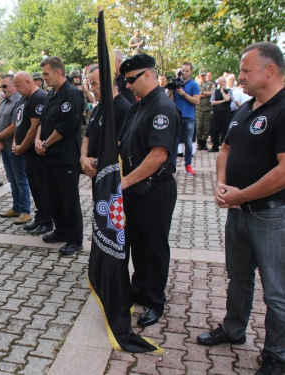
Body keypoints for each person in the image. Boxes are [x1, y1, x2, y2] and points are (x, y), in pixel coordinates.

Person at [196, 42, 285, 375]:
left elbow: (283, 171)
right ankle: (234, 328)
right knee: (238, 278)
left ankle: (276, 354)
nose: (241, 76)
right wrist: (222, 185)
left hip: (271, 215)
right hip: (239, 211)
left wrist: (242, 194)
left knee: (276, 291)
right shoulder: (247, 108)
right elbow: (225, 149)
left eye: (246, 70)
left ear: (270, 70)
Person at [117, 53, 181, 327]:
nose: (128, 86)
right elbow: (124, 141)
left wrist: (125, 182)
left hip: (154, 189)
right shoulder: (138, 106)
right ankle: (140, 288)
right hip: (135, 189)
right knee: (138, 245)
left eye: (131, 80)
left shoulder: (162, 108)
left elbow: (158, 156)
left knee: (154, 247)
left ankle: (155, 300)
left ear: (147, 75)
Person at [35, 56, 84, 256]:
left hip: (66, 157)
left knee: (69, 199)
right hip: (49, 156)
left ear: (58, 72)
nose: (43, 78)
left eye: (46, 74)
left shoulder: (71, 94)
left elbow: (67, 127)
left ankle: (75, 239)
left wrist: (45, 143)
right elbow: (43, 119)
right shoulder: (51, 94)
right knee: (54, 197)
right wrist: (38, 140)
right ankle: (61, 230)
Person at [13, 71, 53, 235]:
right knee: (35, 188)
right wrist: (16, 142)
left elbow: (34, 126)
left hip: (36, 153)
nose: (16, 89)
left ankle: (47, 221)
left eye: (19, 85)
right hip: (27, 153)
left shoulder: (39, 97)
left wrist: (22, 146)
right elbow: (19, 123)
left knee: (43, 188)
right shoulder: (24, 97)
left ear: (29, 82)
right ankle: (39, 217)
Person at [0, 74, 31, 224]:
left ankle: (25, 211)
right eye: (1, 86)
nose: (2, 89)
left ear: (14, 86)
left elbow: (15, 126)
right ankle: (17, 207)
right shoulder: (3, 102)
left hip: (14, 148)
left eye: (5, 86)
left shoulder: (18, 103)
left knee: (20, 179)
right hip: (3, 147)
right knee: (11, 179)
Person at [81, 65, 131, 184]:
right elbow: (87, 137)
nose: (91, 89)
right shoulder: (98, 108)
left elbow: (120, 144)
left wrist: (96, 162)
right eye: (89, 85)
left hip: (113, 180)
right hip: (97, 176)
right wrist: (83, 159)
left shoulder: (124, 109)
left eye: (95, 84)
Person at [169, 62, 200, 175]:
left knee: (188, 142)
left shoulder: (194, 85)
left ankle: (188, 165)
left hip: (189, 117)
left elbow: (196, 101)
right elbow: (171, 101)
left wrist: (183, 93)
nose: (185, 73)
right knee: (174, 142)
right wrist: (172, 92)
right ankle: (172, 166)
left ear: (191, 71)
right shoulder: (177, 83)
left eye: (187, 71)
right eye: (183, 71)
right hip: (177, 117)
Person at [207, 76, 232, 153]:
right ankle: (215, 146)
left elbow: (227, 99)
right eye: (221, 82)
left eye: (223, 82)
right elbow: (212, 102)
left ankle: (225, 147)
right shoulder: (215, 91)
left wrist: (222, 91)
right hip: (216, 113)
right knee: (215, 129)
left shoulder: (229, 91)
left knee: (225, 130)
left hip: (226, 113)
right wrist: (223, 101)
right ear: (218, 83)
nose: (222, 83)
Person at [196, 68, 215, 151]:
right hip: (198, 108)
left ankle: (204, 143)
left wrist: (202, 93)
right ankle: (199, 142)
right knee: (199, 126)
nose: (203, 76)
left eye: (204, 75)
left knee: (206, 126)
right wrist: (206, 94)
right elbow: (196, 95)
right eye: (201, 75)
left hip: (207, 108)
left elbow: (212, 93)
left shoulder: (211, 84)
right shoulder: (196, 84)